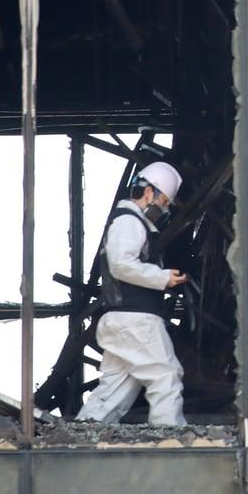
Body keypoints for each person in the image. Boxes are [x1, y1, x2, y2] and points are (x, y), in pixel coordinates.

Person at [76, 162, 188, 426]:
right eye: (162, 199)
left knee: (114, 389)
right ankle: (170, 436)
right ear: (148, 192)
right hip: (136, 321)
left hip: (122, 321)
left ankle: (81, 434)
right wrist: (163, 278)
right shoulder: (129, 221)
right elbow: (121, 264)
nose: (164, 207)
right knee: (165, 376)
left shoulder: (131, 223)